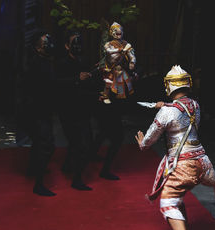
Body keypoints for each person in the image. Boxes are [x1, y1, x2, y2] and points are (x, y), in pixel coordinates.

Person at [135, 65, 215, 230]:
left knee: (167, 202)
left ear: (169, 86)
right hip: (202, 161)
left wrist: (142, 143)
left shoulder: (167, 111)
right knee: (178, 194)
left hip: (183, 165)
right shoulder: (195, 104)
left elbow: (150, 140)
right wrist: (164, 106)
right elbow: (181, 111)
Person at [89, 21, 138, 180]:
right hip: (109, 84)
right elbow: (113, 57)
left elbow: (132, 58)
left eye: (121, 30)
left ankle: (91, 154)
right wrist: (124, 51)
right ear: (111, 33)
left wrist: (131, 61)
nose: (119, 33)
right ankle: (104, 168)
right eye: (116, 31)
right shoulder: (109, 45)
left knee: (104, 130)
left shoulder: (126, 45)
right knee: (114, 134)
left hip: (121, 82)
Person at [56, 30, 95, 191]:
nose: (77, 46)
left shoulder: (84, 61)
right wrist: (76, 80)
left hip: (83, 108)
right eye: (74, 43)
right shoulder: (62, 63)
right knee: (79, 143)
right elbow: (56, 83)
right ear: (67, 46)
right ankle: (77, 179)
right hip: (68, 110)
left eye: (79, 43)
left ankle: (67, 166)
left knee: (82, 142)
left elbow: (88, 84)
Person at [21, 29, 57, 196]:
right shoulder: (37, 64)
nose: (49, 45)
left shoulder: (43, 61)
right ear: (37, 48)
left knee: (39, 143)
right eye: (45, 44)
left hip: (41, 110)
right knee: (46, 145)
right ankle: (39, 184)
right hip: (37, 111)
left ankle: (31, 170)